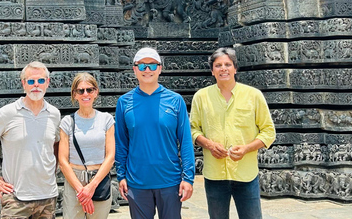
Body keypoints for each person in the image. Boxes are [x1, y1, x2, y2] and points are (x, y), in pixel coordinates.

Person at [190, 47, 276, 219]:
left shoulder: (253, 95)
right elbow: (193, 129)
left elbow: (268, 132)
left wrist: (247, 148)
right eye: (218, 65)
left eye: (228, 64)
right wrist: (209, 145)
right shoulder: (201, 97)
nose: (223, 69)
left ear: (235, 69)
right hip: (215, 174)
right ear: (212, 71)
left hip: (245, 173)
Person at [115, 47, 195, 219]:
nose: (148, 70)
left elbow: (186, 142)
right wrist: (121, 175)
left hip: (170, 181)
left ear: (160, 68)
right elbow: (121, 143)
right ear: (134, 69)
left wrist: (188, 178)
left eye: (152, 65)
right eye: (142, 66)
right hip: (137, 182)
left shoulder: (175, 101)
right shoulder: (124, 102)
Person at [0, 61, 61, 219]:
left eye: (41, 80)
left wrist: (51, 171)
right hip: (16, 198)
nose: (36, 85)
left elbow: (56, 144)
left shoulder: (54, 114)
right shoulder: (7, 113)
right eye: (31, 81)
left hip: (47, 197)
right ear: (24, 83)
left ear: (47, 83)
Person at [58, 73, 115, 219]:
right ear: (74, 94)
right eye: (80, 90)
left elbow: (110, 156)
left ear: (96, 92)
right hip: (74, 179)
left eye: (89, 90)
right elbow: (63, 160)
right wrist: (81, 190)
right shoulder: (67, 122)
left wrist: (91, 186)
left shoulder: (106, 119)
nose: (85, 94)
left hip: (99, 178)